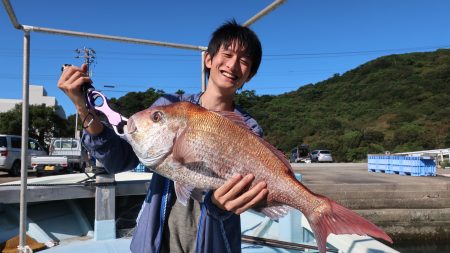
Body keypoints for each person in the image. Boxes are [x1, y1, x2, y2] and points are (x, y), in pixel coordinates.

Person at [58, 20, 267, 253]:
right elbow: (119, 160)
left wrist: (220, 205)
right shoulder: (169, 106)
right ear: (208, 59)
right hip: (157, 243)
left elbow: (246, 192)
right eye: (226, 54)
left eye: (244, 61)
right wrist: (83, 109)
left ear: (250, 74)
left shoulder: (248, 128)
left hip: (215, 243)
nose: (232, 65)